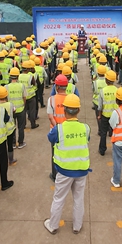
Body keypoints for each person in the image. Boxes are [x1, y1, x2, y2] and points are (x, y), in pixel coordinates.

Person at [44, 94, 90, 234]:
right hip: (81, 170)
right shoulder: (85, 128)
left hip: (64, 171)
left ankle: (53, 225)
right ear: (78, 110)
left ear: (64, 110)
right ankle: (77, 226)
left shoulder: (59, 129)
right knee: (78, 199)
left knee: (59, 199)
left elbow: (51, 138)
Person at [47, 74, 69, 181]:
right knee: (67, 152)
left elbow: (50, 117)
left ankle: (55, 175)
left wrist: (57, 128)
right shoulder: (70, 99)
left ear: (56, 87)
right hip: (68, 130)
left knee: (55, 154)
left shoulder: (51, 100)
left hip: (55, 131)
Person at [96, 70, 118, 156]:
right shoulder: (117, 90)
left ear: (106, 80)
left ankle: (102, 149)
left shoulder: (103, 91)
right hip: (115, 115)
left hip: (105, 115)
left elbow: (100, 106)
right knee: (115, 132)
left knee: (103, 133)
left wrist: (99, 115)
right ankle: (116, 149)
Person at [0, 86, 17, 165]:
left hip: (1, 129)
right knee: (10, 145)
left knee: (2, 146)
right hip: (10, 128)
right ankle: (11, 159)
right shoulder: (10, 104)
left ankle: (1, 160)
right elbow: (14, 111)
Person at [7, 68, 27, 149]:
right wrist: (23, 104)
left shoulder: (6, 87)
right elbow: (24, 97)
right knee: (21, 127)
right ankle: (21, 142)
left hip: (11, 110)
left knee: (12, 127)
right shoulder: (22, 86)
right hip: (21, 109)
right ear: (18, 76)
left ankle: (13, 143)